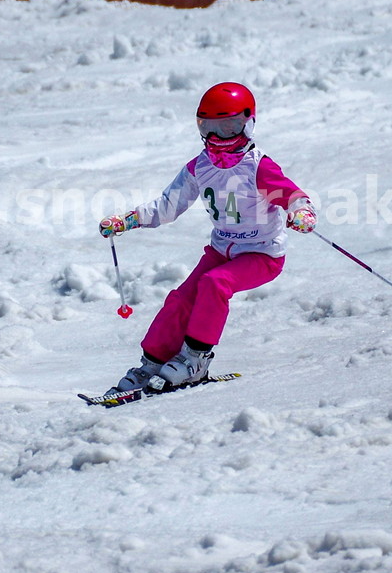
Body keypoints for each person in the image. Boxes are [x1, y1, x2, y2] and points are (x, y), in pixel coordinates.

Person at [98, 82, 317, 395]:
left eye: (229, 127)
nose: (218, 137)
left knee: (215, 283)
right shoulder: (199, 167)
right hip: (221, 251)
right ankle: (152, 363)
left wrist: (302, 213)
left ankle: (196, 359)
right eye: (209, 128)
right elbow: (166, 208)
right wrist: (127, 220)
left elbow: (294, 196)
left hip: (262, 255)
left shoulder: (258, 167)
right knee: (181, 298)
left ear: (248, 124)